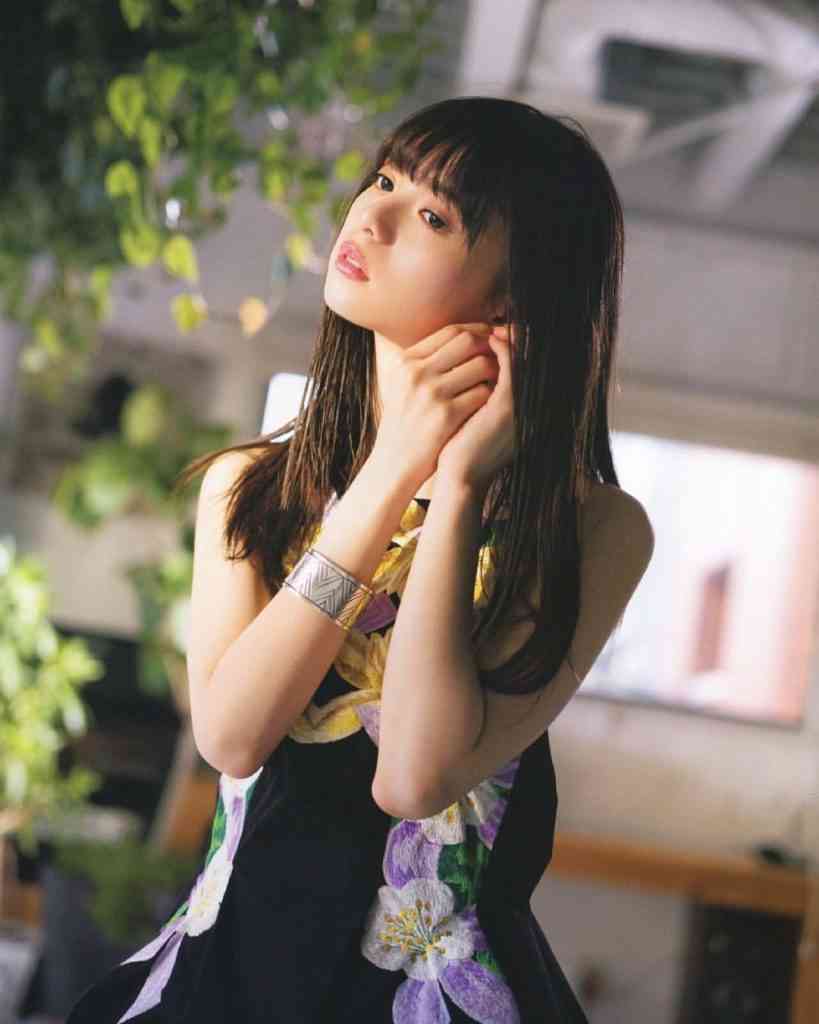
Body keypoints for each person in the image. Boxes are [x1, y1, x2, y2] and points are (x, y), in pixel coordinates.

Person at [65, 95, 654, 1023]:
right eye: (382, 180)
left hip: (430, 992)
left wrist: (456, 488)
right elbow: (232, 736)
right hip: (227, 973)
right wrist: (391, 471)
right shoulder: (248, 488)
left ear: (514, 295)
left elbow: (413, 778)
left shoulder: (589, 527)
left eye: (432, 216)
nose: (369, 218)